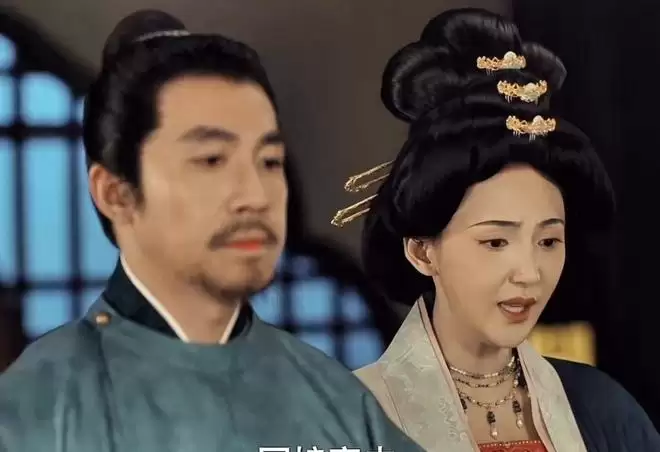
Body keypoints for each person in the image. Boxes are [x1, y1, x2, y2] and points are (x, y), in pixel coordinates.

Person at [0, 10, 424, 452]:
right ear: (117, 194)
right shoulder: (37, 409)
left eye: (269, 162)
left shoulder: (336, 399)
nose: (255, 196)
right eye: (211, 160)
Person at [331, 8, 660, 452]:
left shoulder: (603, 409)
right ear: (423, 251)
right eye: (495, 241)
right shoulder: (349, 418)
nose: (529, 272)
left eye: (548, 240)